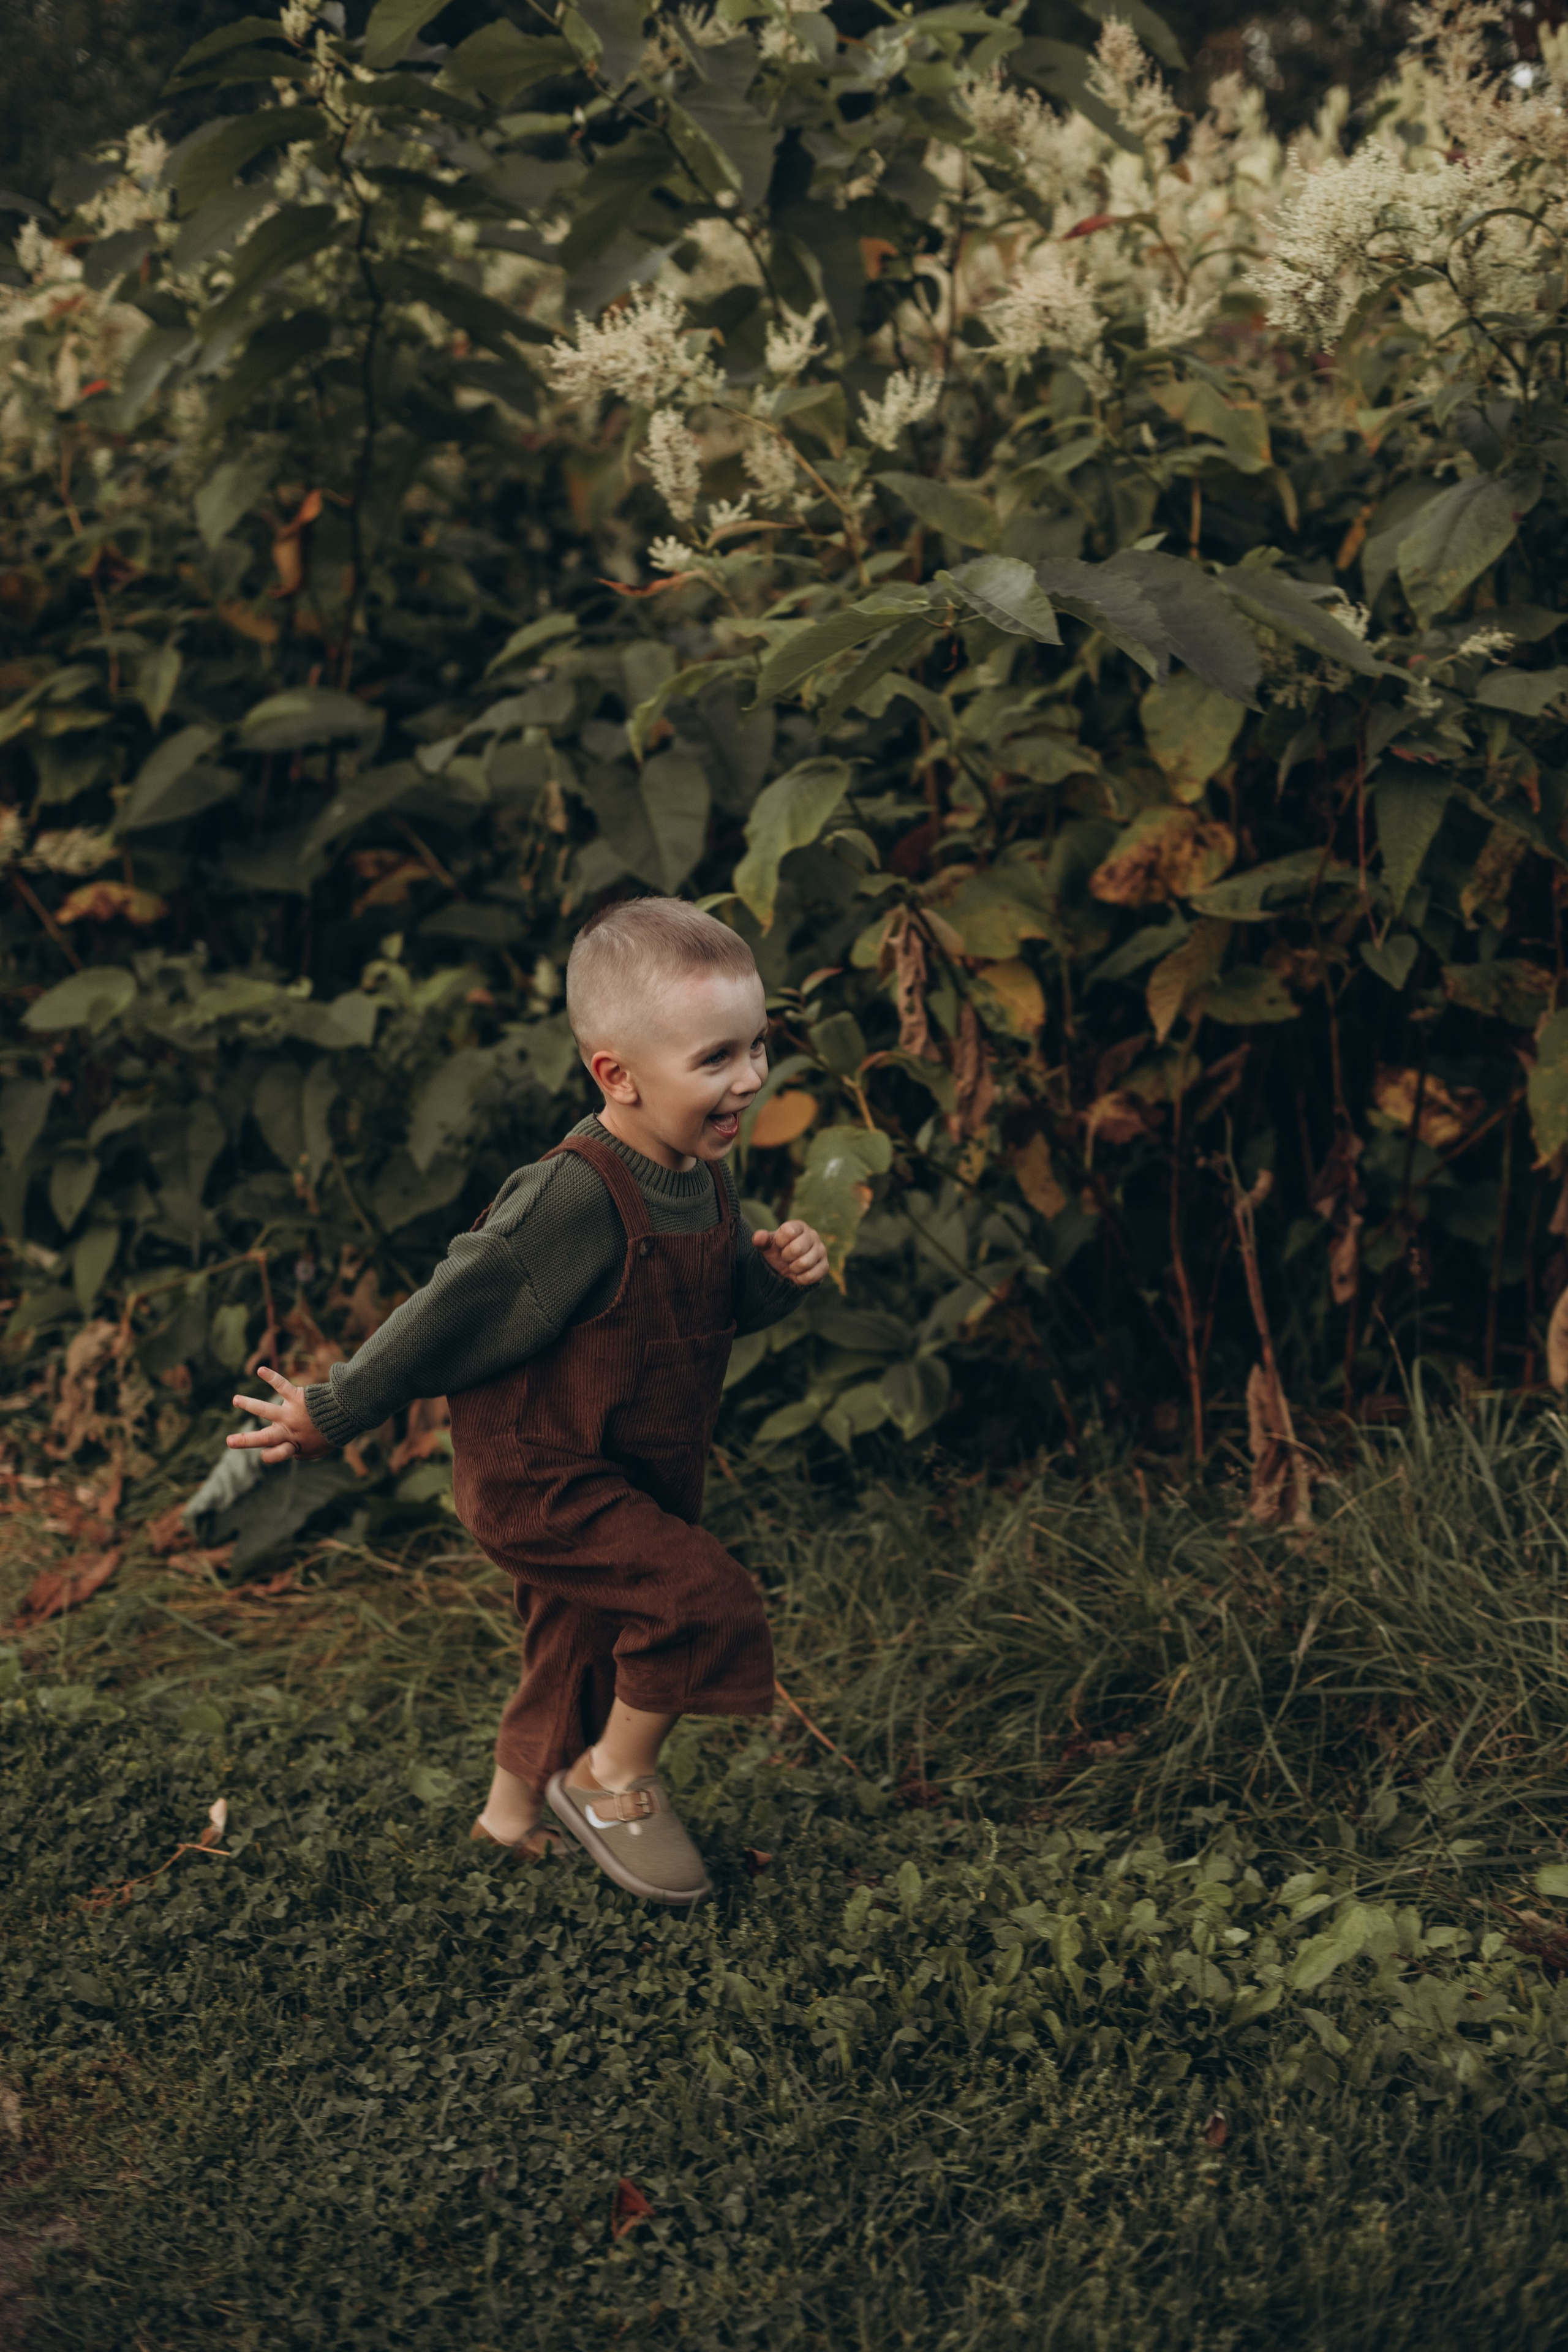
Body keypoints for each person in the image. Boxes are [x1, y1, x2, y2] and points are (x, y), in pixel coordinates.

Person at [224, 897, 829, 1905]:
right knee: (701, 1600)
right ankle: (610, 1778)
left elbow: (706, 1312)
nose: (752, 1080)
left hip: (634, 1470)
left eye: (758, 1046)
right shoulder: (571, 1198)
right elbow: (447, 1311)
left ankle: (507, 1823)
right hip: (541, 1475)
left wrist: (774, 1276)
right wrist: (334, 1408)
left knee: (577, 1641)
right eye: (717, 1059)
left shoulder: (706, 1181)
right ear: (616, 1075)